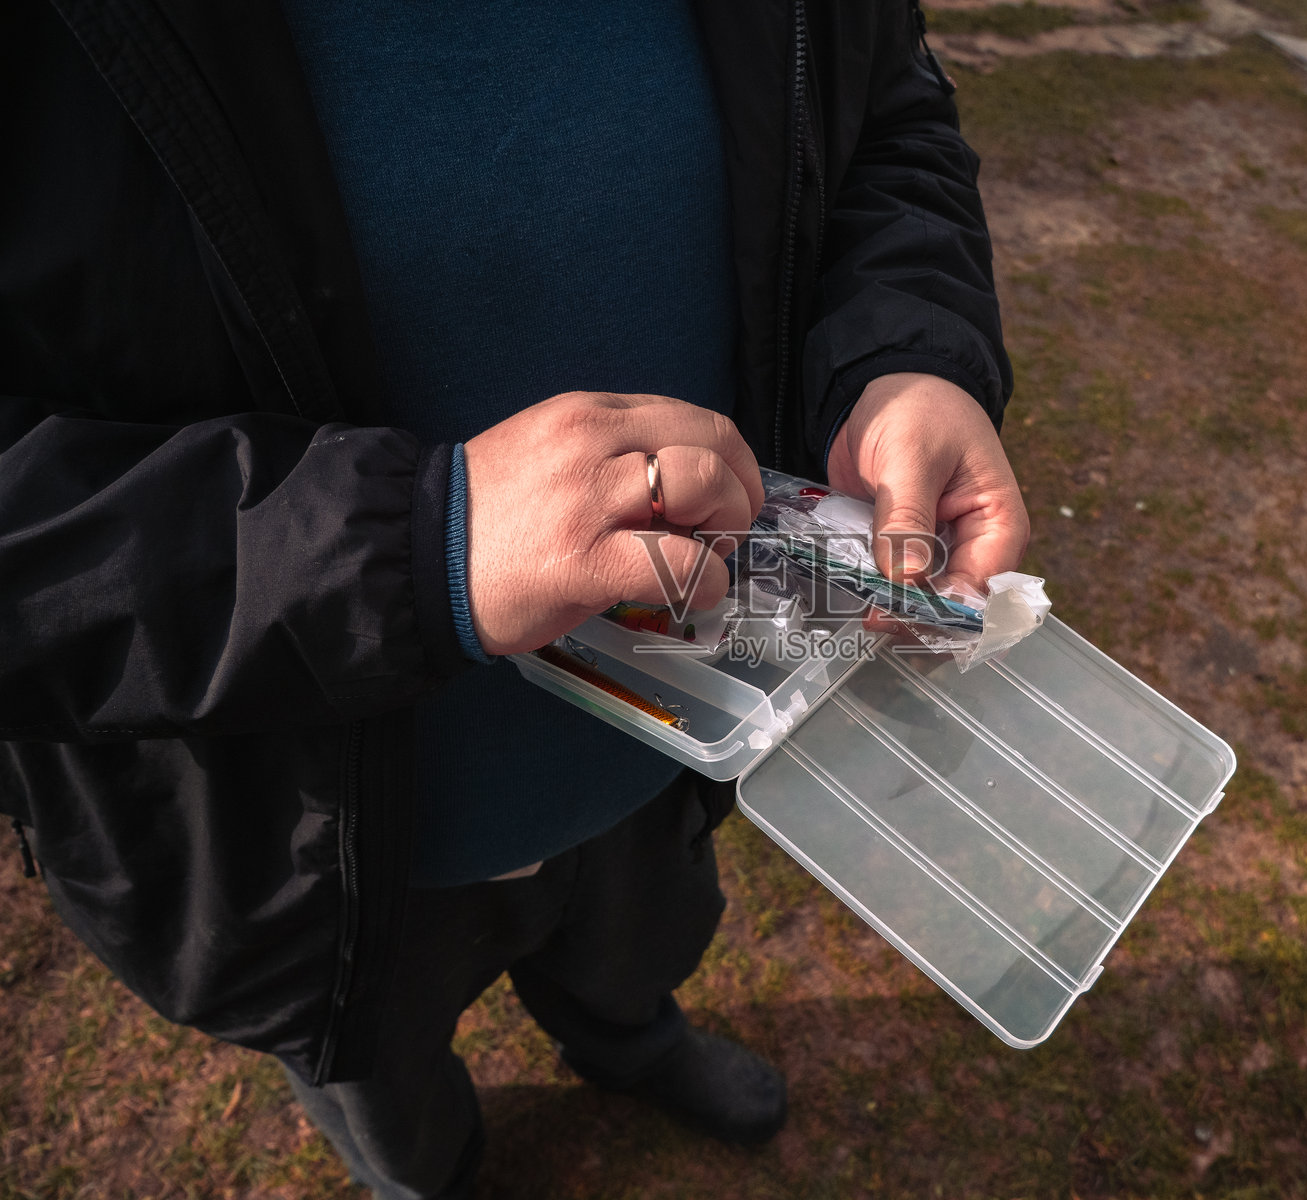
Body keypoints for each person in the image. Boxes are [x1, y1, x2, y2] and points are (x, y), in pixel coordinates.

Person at [0, 1, 1025, 1195]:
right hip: (297, 824)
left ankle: (628, 1037)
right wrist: (407, 541)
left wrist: (907, 350)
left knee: (640, 933)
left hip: (678, 710)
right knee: (383, 1077)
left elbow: (883, 109)